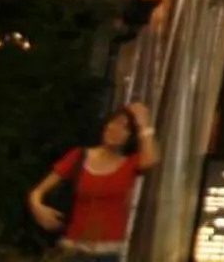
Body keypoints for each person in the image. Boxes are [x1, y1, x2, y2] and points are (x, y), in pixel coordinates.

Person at [27, 104, 156, 259]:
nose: (115, 129)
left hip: (108, 252)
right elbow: (38, 191)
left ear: (131, 137)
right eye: (114, 122)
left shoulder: (129, 164)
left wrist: (144, 125)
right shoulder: (79, 156)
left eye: (124, 128)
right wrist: (37, 207)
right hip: (73, 248)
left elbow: (151, 160)